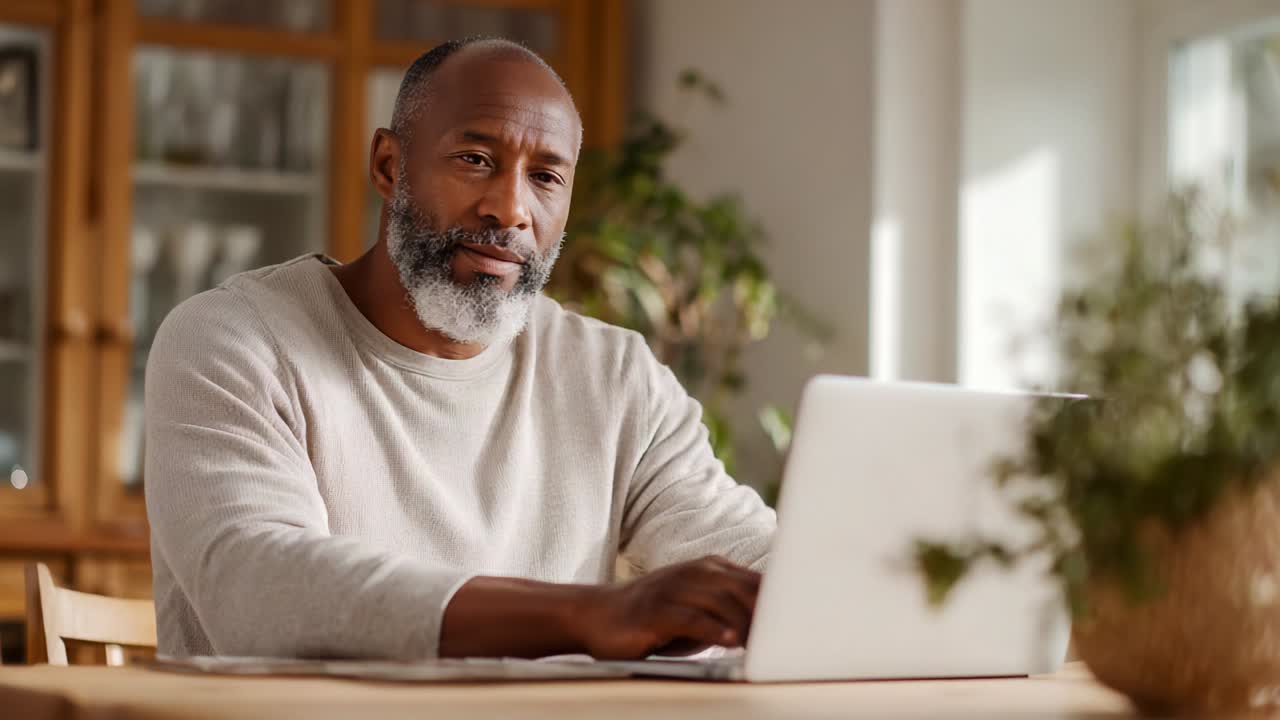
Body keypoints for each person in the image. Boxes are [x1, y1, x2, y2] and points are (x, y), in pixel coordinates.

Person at [144, 37, 776, 662]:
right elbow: (259, 592)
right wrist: (588, 614)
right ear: (390, 167)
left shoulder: (615, 376)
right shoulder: (233, 339)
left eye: (546, 178)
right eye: (476, 159)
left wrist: (844, 576)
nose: (510, 209)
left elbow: (746, 552)